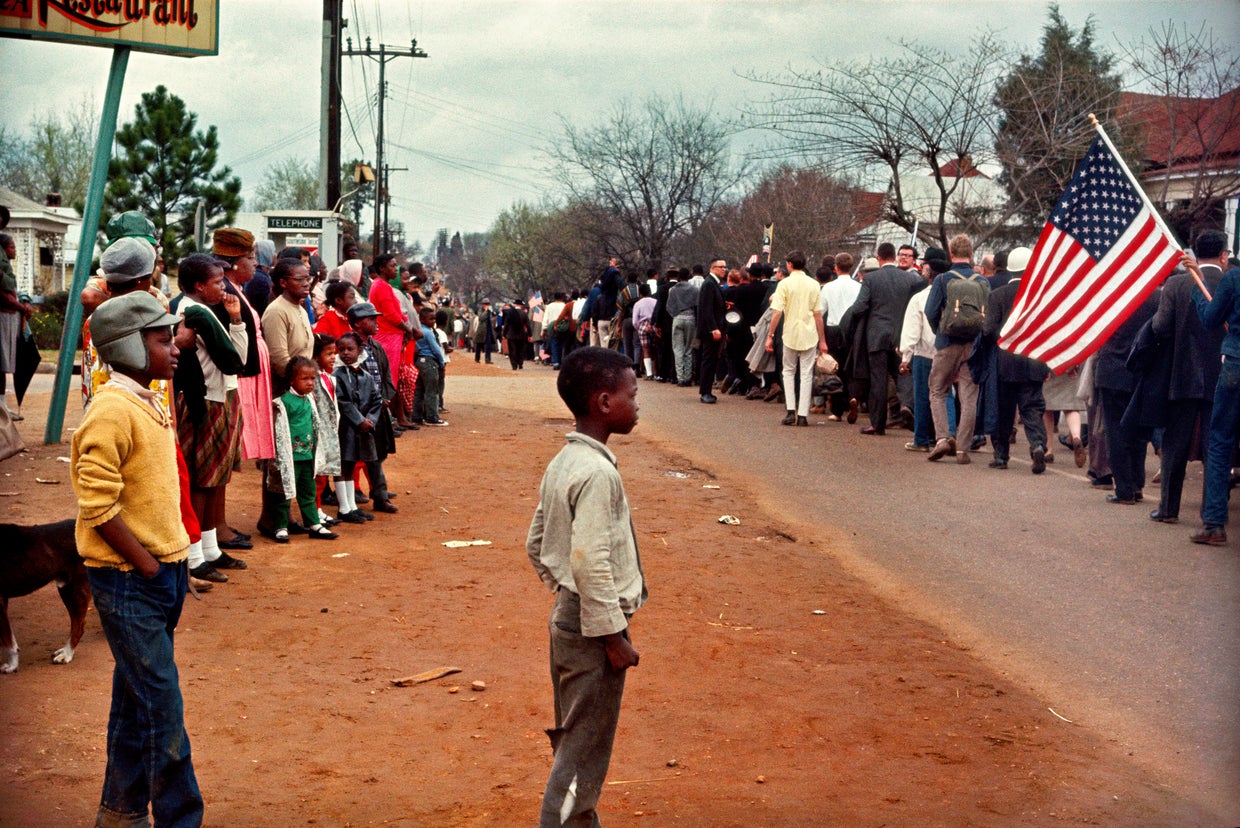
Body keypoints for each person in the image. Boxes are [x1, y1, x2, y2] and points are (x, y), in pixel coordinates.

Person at [70, 291, 204, 827]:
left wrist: (173, 560)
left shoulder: (149, 400)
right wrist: (148, 565)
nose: (175, 348)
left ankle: (120, 813)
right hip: (129, 581)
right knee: (161, 710)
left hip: (161, 574)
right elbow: (96, 503)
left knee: (135, 702)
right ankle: (180, 819)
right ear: (127, 346)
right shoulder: (110, 409)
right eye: (162, 340)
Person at [525, 346, 646, 827]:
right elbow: (590, 560)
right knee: (582, 750)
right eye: (632, 394)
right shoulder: (597, 472)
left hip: (571, 617)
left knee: (577, 736)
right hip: (594, 628)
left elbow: (537, 542)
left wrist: (564, 594)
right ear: (604, 402)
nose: (637, 403)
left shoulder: (566, 460)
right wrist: (612, 636)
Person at [173, 254, 249, 584]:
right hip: (206, 400)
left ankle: (210, 548)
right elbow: (236, 360)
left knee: (213, 477)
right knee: (203, 479)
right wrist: (236, 321)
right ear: (199, 286)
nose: (224, 287)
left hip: (215, 397)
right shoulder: (197, 313)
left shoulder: (194, 308)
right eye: (218, 282)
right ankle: (194, 556)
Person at [1150, 230, 1228, 524]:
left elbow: (1160, 327)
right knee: (1215, 447)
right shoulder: (1232, 284)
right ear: (1223, 255)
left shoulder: (1176, 285)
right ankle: (1211, 515)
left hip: (1181, 374)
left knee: (1175, 445)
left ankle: (1168, 509)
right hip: (1222, 375)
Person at [981, 247, 1049, 472]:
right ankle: (1037, 444)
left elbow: (988, 330)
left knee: (1004, 411)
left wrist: (1002, 340)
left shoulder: (997, 295)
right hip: (1034, 361)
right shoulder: (1040, 296)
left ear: (1009, 269)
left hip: (1005, 363)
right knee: (1032, 408)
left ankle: (1001, 456)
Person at [925, 234, 986, 465]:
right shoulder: (983, 282)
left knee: (938, 391)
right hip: (974, 345)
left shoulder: (942, 279)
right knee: (969, 396)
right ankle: (963, 449)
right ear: (971, 254)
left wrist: (940, 331)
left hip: (947, 342)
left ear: (951, 254)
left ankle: (942, 438)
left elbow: (931, 311)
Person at [851, 242, 923, 434]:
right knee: (903, 374)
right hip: (901, 335)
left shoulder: (871, 279)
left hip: (877, 335)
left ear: (879, 257)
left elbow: (860, 306)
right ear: (894, 256)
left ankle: (878, 423)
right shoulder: (911, 280)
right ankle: (906, 405)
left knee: (879, 379)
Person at [269, 357, 338, 542]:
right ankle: (281, 526)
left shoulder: (310, 399)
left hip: (308, 455)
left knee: (308, 491)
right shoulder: (283, 402)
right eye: (304, 378)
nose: (310, 383)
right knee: (284, 493)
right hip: (290, 458)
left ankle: (313, 523)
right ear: (292, 380)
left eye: (312, 378)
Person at [765, 250, 828, 426]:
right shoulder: (814, 284)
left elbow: (777, 312)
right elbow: (818, 315)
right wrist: (822, 340)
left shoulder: (784, 284)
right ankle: (802, 414)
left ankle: (790, 410)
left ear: (790, 264)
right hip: (809, 333)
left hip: (790, 333)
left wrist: (770, 335)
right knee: (806, 374)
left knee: (788, 371)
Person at [332, 332, 387, 524]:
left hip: (362, 430)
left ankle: (352, 506)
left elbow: (376, 399)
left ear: (359, 350)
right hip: (345, 428)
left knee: (352, 464)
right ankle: (344, 507)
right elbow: (342, 401)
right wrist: (359, 420)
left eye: (350, 349)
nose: (346, 353)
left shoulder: (366, 376)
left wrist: (370, 420)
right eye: (341, 349)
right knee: (343, 465)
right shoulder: (337, 375)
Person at [0, 232, 35, 419]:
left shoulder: (7, 270)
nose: (15, 251)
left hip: (9, 317)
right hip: (4, 316)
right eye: (11, 247)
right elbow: (4, 297)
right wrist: (22, 307)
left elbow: (12, 291)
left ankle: (3, 406)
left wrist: (24, 301)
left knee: (3, 365)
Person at [697, 258, 728, 403]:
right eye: (721, 267)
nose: (724, 269)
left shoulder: (714, 284)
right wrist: (713, 328)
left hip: (715, 327)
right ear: (712, 268)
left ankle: (707, 390)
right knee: (708, 360)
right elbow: (706, 309)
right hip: (711, 330)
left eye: (725, 267)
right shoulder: (709, 284)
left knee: (712, 360)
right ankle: (705, 392)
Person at [413, 305, 448, 426]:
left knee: (419, 390)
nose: (433, 321)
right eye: (431, 319)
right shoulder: (429, 333)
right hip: (429, 362)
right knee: (432, 390)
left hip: (419, 361)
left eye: (434, 319)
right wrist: (441, 362)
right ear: (422, 319)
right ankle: (432, 417)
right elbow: (436, 349)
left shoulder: (418, 331)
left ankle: (416, 416)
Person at [666, 270, 698, 386]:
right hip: (691, 319)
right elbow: (697, 306)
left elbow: (669, 306)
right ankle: (688, 377)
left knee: (677, 349)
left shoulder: (673, 290)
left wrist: (675, 315)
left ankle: (680, 377)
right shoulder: (695, 289)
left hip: (678, 318)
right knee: (688, 349)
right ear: (689, 276)